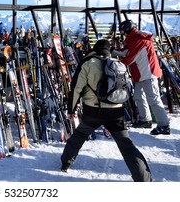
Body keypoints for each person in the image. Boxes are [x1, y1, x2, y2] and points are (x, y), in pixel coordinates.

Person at [60, 39, 152, 182]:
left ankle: (66, 162)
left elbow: (76, 89)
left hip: (93, 111)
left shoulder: (87, 64)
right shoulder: (118, 64)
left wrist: (71, 110)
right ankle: (144, 178)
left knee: (79, 135)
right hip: (116, 111)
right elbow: (127, 88)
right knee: (126, 145)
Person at [113, 20, 170, 135]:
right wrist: (113, 51)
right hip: (140, 74)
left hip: (148, 73)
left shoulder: (139, 39)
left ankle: (164, 125)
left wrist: (115, 63)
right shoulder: (133, 39)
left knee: (153, 99)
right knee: (138, 96)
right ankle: (145, 120)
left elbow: (129, 58)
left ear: (128, 30)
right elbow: (125, 51)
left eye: (124, 32)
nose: (123, 35)